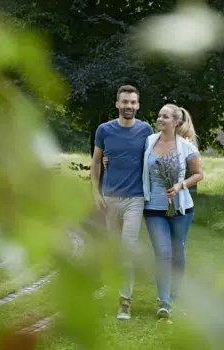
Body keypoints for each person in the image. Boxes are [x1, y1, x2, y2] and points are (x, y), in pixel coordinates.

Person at [90, 85, 153, 320]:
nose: (129, 106)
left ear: (138, 105)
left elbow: (155, 157)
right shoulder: (104, 130)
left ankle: (125, 302)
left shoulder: (146, 130)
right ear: (117, 104)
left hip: (135, 199)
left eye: (133, 102)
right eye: (125, 102)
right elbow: (96, 162)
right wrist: (95, 194)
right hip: (109, 199)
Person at [142, 103, 203, 318]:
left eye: (165, 117)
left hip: (181, 209)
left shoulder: (186, 147)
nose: (159, 119)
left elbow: (198, 174)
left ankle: (176, 290)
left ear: (176, 122)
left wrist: (180, 185)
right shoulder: (149, 141)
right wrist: (108, 160)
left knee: (177, 251)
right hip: (153, 208)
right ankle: (164, 302)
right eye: (159, 115)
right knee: (162, 252)